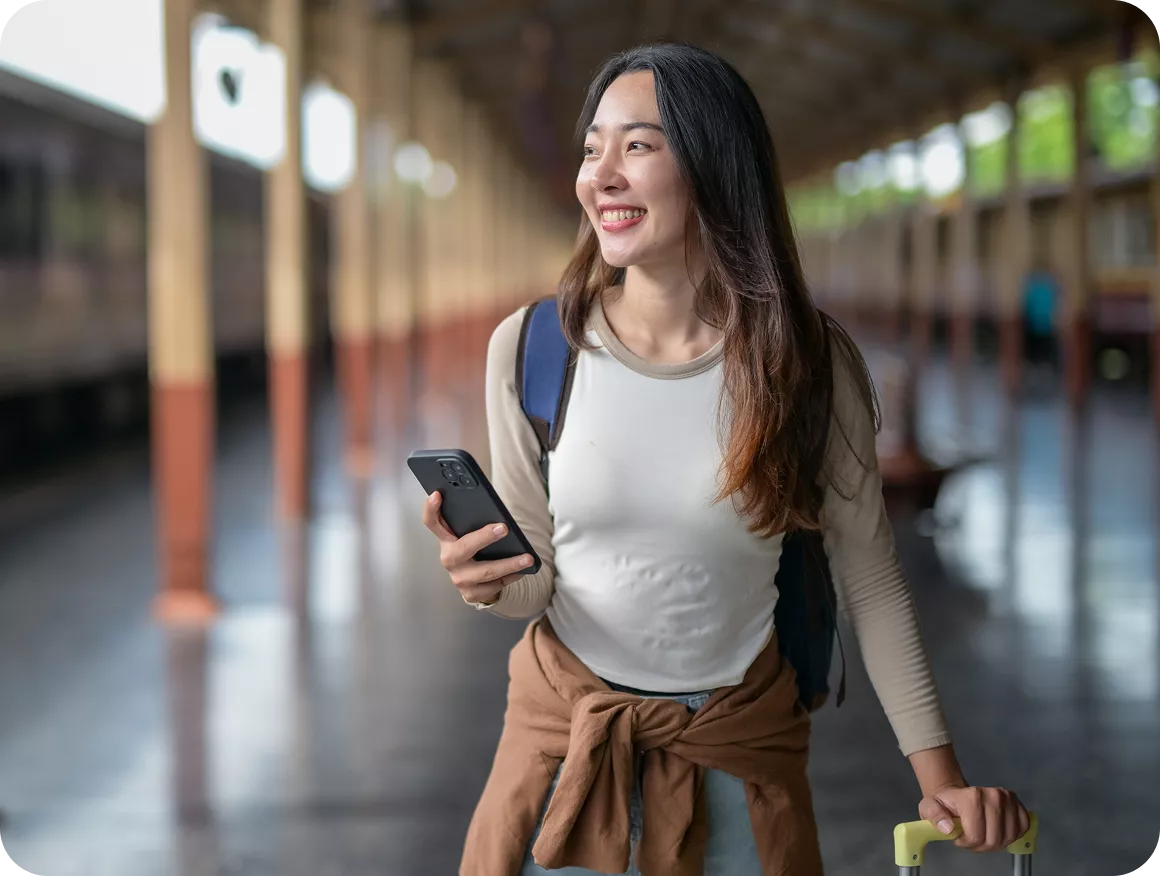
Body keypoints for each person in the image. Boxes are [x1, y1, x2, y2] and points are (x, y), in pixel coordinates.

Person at [422, 42, 1030, 876]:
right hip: (562, 755)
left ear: (715, 165)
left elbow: (871, 578)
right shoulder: (534, 351)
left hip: (741, 755)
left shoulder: (807, 367)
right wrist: (484, 579)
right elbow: (536, 582)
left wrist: (942, 779)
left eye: (637, 146)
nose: (600, 174)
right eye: (592, 147)